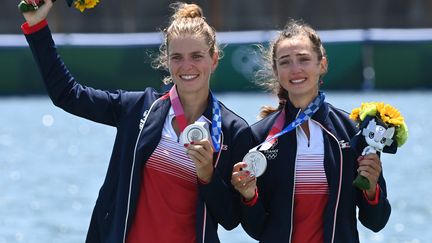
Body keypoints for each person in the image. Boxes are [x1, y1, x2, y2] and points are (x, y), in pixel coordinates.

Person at [20, 1, 251, 242]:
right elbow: (67, 95)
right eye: (177, 57)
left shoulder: (233, 130)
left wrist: (207, 175)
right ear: (167, 61)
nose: (186, 66)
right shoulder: (138, 108)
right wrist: (36, 27)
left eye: (196, 56)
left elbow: (230, 219)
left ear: (214, 60)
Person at [231, 19, 391, 243]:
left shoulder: (355, 131)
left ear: (322, 64)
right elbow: (257, 229)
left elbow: (376, 221)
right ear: (276, 71)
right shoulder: (258, 137)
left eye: (304, 59)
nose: (295, 69)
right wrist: (249, 197)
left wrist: (372, 189)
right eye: (285, 62)